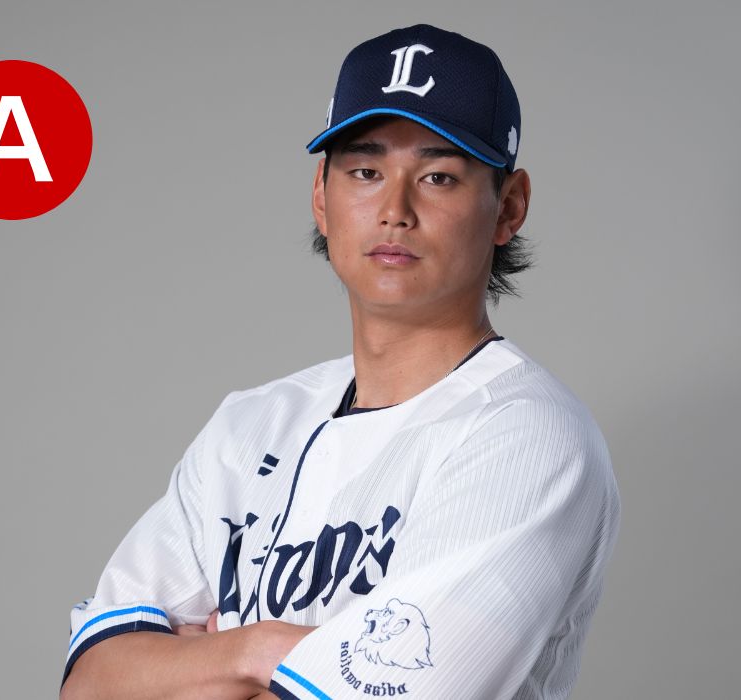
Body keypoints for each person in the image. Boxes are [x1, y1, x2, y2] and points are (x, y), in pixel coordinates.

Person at [60, 23, 621, 700]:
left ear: (509, 207)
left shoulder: (527, 438)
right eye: (365, 171)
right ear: (322, 198)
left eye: (439, 176)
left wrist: (201, 660)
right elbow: (90, 685)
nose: (394, 210)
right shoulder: (247, 426)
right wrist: (261, 650)